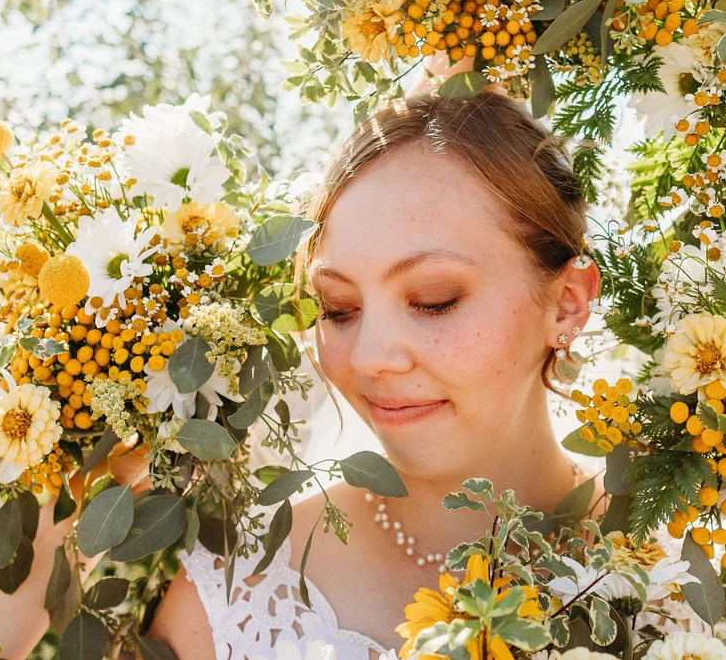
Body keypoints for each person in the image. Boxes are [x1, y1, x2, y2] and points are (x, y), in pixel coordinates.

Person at [147, 89, 604, 658]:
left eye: (433, 301)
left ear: (565, 304)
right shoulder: (233, 601)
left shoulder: (690, 570)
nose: (368, 358)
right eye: (338, 310)